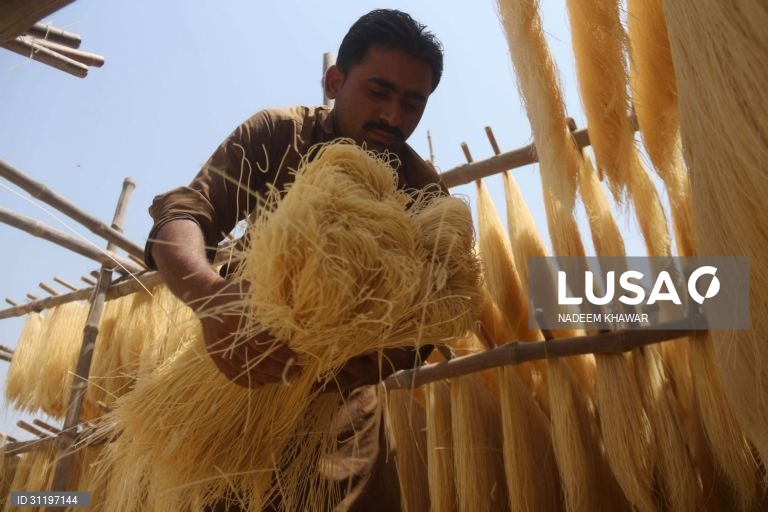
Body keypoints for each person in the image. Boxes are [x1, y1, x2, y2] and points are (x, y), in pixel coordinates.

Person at [144, 9, 446, 511]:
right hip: (234, 390)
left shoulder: (425, 194)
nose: (393, 116)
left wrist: (352, 363)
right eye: (378, 92)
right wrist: (210, 297)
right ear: (335, 81)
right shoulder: (279, 135)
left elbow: (434, 314)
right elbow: (185, 213)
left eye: (412, 103)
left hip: (343, 422)